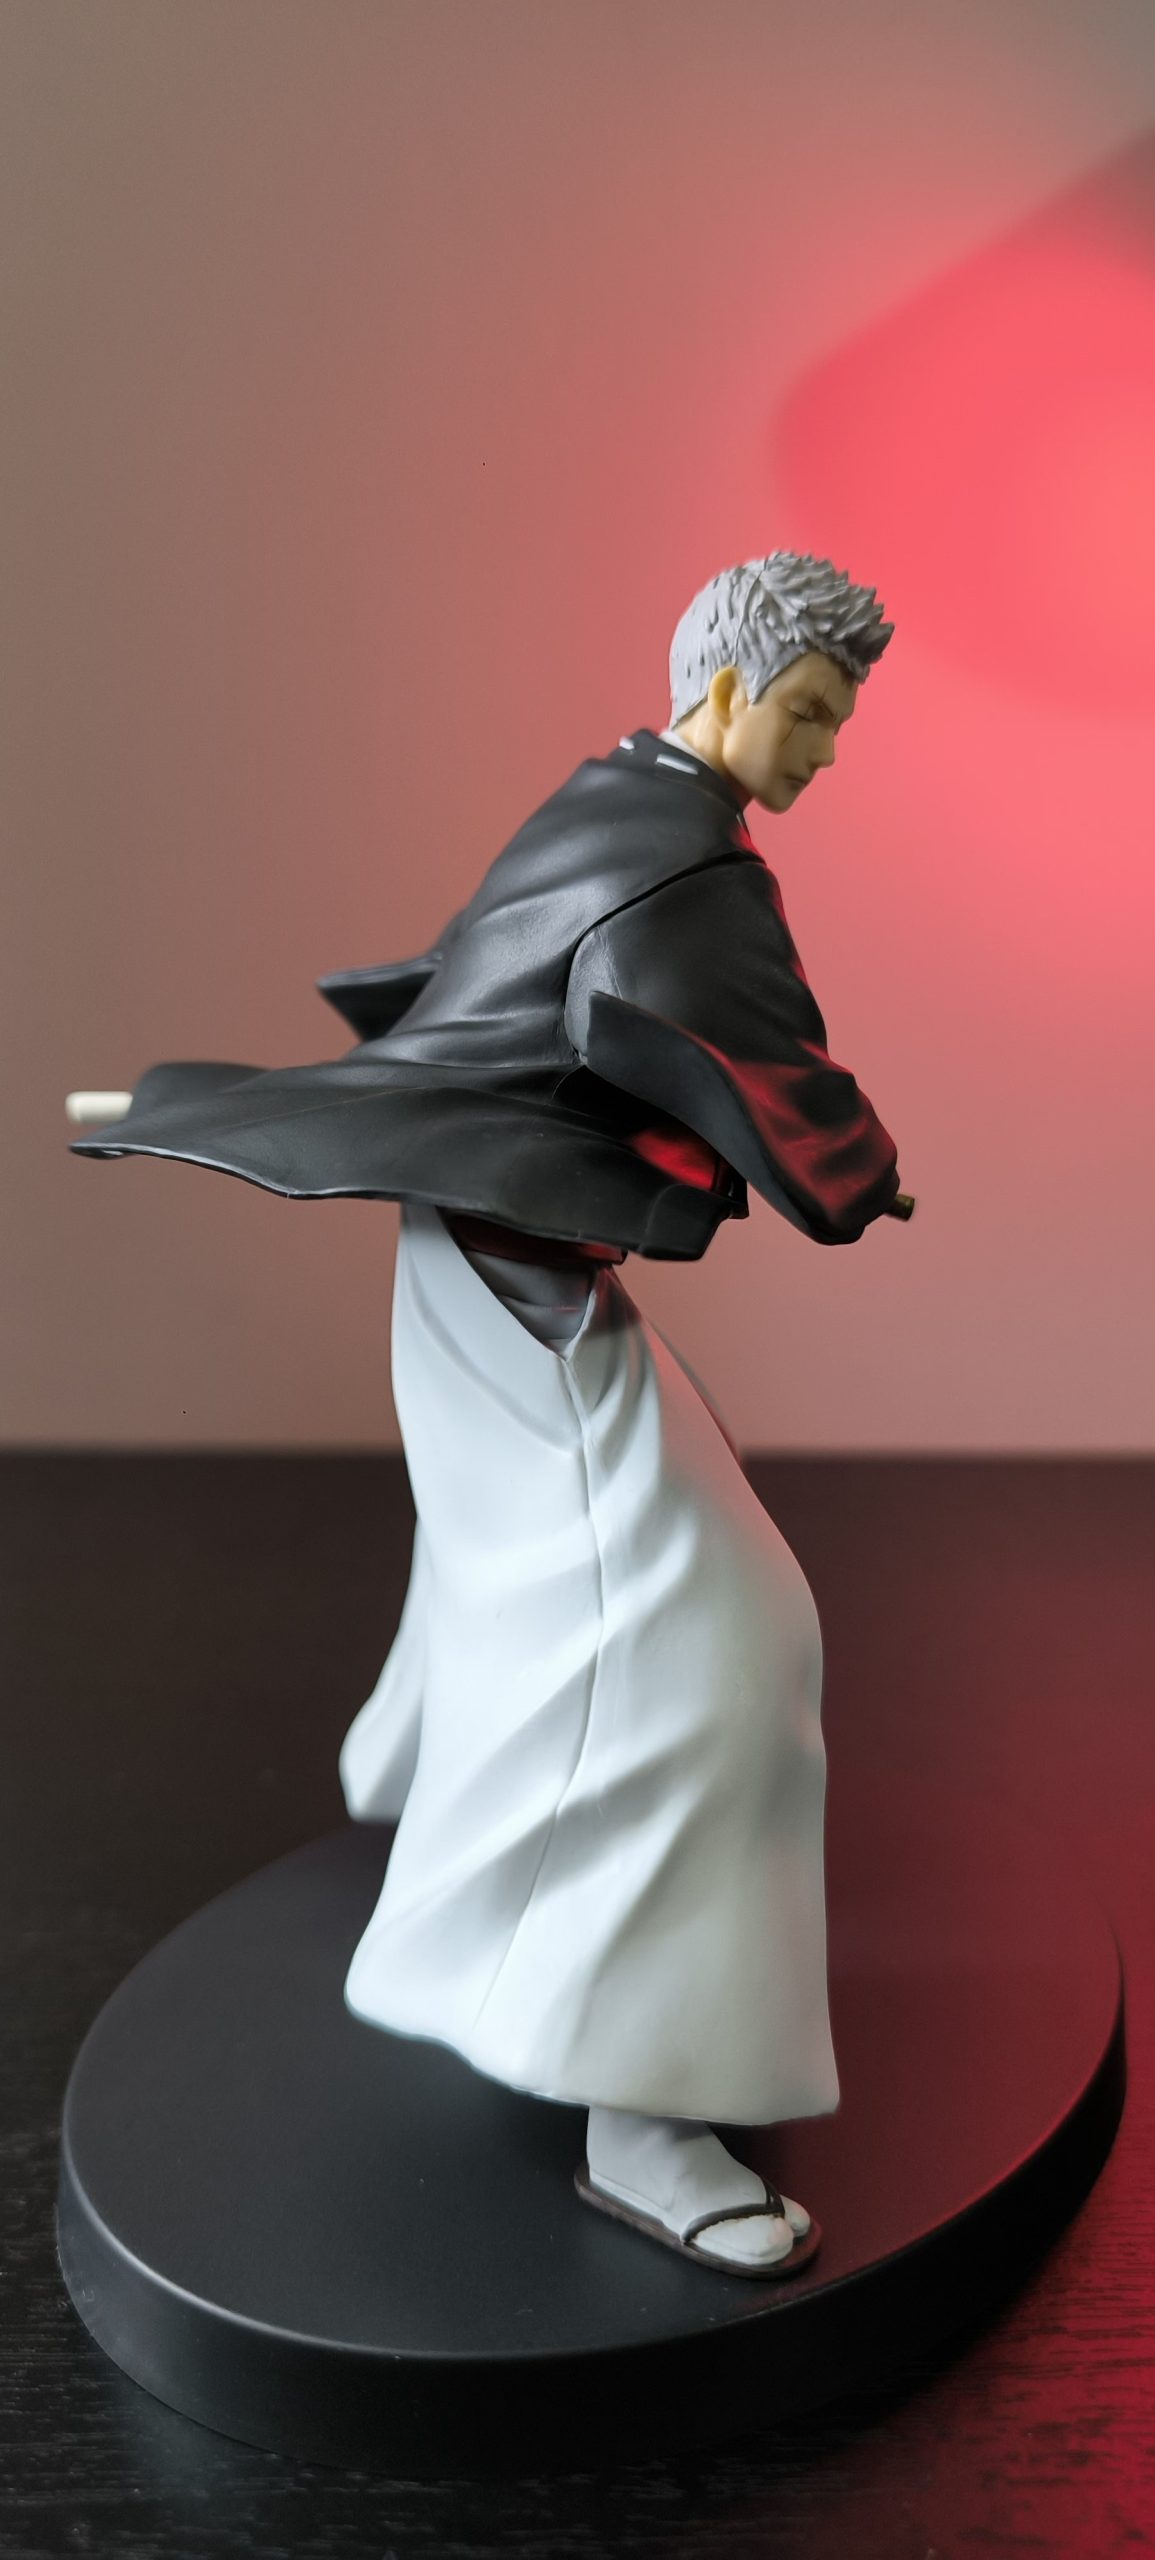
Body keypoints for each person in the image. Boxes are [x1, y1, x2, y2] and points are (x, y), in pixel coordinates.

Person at [68, 551, 909, 2277]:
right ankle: (640, 2111)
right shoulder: (681, 867)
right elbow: (719, 1030)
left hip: (487, 1254)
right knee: (712, 1647)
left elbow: (514, 982)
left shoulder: (616, 795)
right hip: (509, 1265)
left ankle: (422, 1774)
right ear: (729, 690)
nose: (827, 752)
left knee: (581, 1565)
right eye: (815, 714)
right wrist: (857, 1161)